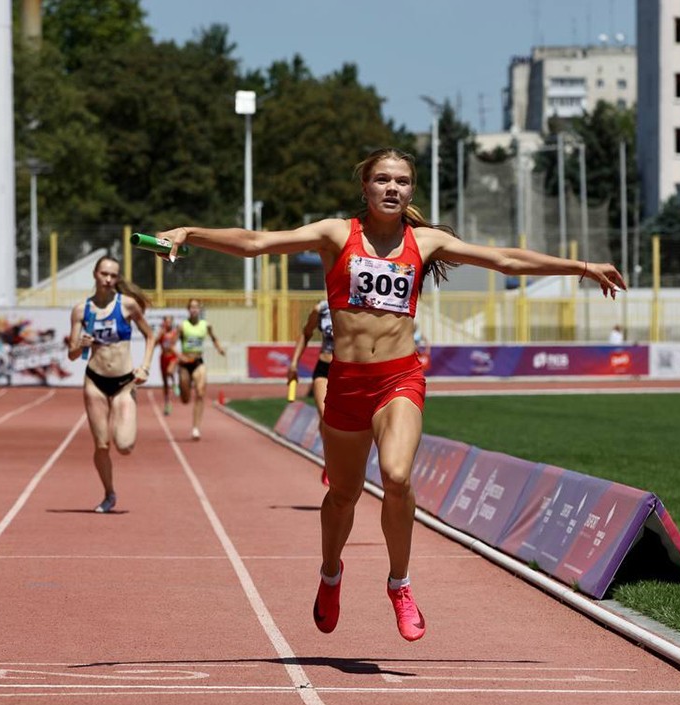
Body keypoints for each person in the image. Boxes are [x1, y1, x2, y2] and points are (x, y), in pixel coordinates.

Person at [156, 147, 625, 642]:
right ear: (366, 187)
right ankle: (331, 573)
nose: (392, 188)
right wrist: (190, 232)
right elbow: (255, 243)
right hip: (346, 383)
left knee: (397, 476)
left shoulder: (425, 242)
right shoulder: (337, 234)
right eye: (382, 179)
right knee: (343, 495)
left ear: (411, 190)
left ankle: (399, 584)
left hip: (398, 378)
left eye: (401, 181)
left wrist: (581, 266)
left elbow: (504, 259)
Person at [67, 256, 154, 513]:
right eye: (104, 274)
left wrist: (145, 366)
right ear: (95, 274)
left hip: (125, 382)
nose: (108, 279)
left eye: (113, 276)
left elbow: (150, 336)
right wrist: (79, 345)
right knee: (102, 445)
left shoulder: (127, 305)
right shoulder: (81, 311)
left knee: (125, 446)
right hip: (94, 380)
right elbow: (71, 354)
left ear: (118, 279)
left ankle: (123, 411)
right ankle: (109, 493)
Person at [288, 298, 334, 486]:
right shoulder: (321, 309)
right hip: (323, 368)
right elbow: (306, 334)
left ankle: (339, 460)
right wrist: (293, 364)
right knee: (325, 415)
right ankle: (330, 461)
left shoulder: (355, 304)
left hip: (347, 371)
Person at [176, 298, 225, 440]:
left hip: (198, 362)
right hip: (185, 364)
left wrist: (219, 348)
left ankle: (196, 428)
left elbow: (213, 337)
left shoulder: (206, 325)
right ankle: (184, 392)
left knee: (200, 392)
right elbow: (170, 344)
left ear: (200, 309)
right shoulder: (182, 326)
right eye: (191, 307)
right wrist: (180, 356)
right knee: (185, 399)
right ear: (188, 309)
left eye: (196, 307)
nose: (194, 310)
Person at [155, 315, 180, 415]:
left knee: (170, 372)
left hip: (172, 357)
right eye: (166, 322)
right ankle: (167, 403)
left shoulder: (174, 333)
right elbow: (155, 344)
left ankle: (174, 384)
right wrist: (159, 335)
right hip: (163, 358)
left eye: (170, 322)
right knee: (165, 383)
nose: (168, 323)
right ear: (164, 323)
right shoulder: (162, 333)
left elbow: (174, 342)